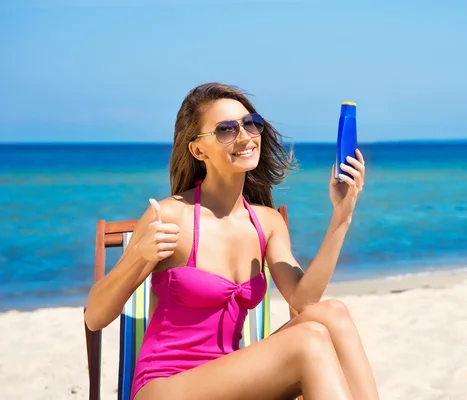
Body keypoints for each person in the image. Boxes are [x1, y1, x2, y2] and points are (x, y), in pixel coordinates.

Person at [84, 82, 378, 400]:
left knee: (332, 313)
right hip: (167, 385)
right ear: (198, 150)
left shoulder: (266, 222)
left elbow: (303, 303)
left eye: (251, 124)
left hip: (232, 381)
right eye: (226, 129)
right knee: (308, 340)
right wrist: (139, 255)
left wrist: (342, 216)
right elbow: (95, 316)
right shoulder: (172, 216)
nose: (245, 136)